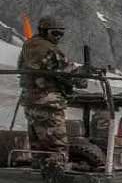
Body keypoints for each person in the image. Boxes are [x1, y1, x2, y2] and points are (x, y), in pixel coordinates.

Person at [18, 17, 81, 165]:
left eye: (61, 34)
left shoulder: (28, 46)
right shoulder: (50, 49)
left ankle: (37, 180)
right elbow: (68, 71)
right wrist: (82, 76)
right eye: (55, 33)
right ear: (44, 31)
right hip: (48, 104)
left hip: (30, 103)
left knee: (38, 150)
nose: (58, 37)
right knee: (57, 150)